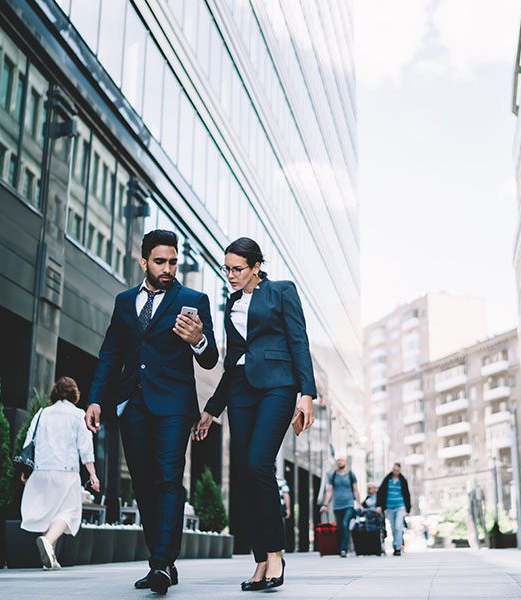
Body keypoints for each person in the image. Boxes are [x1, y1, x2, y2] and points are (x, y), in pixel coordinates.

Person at [85, 230, 218, 594]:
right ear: (144, 262)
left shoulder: (193, 299)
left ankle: (162, 563)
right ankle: (160, 560)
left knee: (168, 479)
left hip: (174, 405)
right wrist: (96, 398)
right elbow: (110, 354)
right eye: (160, 261)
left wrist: (198, 340)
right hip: (133, 405)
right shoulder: (125, 301)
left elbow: (210, 358)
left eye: (173, 262)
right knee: (143, 485)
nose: (168, 268)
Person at [194, 237, 316, 592]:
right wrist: (212, 409)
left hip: (278, 386)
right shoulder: (232, 302)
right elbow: (232, 363)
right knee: (246, 473)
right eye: (226, 268)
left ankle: (275, 553)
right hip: (242, 390)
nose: (230, 275)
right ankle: (260, 558)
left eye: (237, 269)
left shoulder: (281, 291)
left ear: (256, 266)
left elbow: (299, 341)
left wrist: (306, 393)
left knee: (260, 463)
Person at [20, 377, 99, 569]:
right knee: (69, 512)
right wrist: (93, 474)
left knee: (51, 512)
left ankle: (51, 558)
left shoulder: (42, 413)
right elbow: (85, 448)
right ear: (74, 394)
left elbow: (29, 440)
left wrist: (26, 470)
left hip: (41, 469)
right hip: (66, 471)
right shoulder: (78, 415)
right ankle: (47, 541)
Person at [320, 457, 360, 557]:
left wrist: (358, 503)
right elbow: (329, 491)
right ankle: (346, 545)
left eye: (341, 461)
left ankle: (343, 549)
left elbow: (355, 489)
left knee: (345, 523)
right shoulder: (333, 475)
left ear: (345, 462)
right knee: (340, 528)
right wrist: (325, 504)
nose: (339, 462)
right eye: (338, 461)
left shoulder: (351, 475)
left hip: (349, 504)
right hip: (337, 506)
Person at [376, 463, 412, 556]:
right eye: (394, 470)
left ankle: (397, 547)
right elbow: (380, 492)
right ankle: (395, 545)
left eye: (397, 470)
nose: (395, 472)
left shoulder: (402, 480)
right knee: (393, 528)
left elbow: (407, 494)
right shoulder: (387, 479)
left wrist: (408, 509)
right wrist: (379, 506)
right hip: (389, 507)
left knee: (398, 526)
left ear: (400, 471)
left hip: (400, 506)